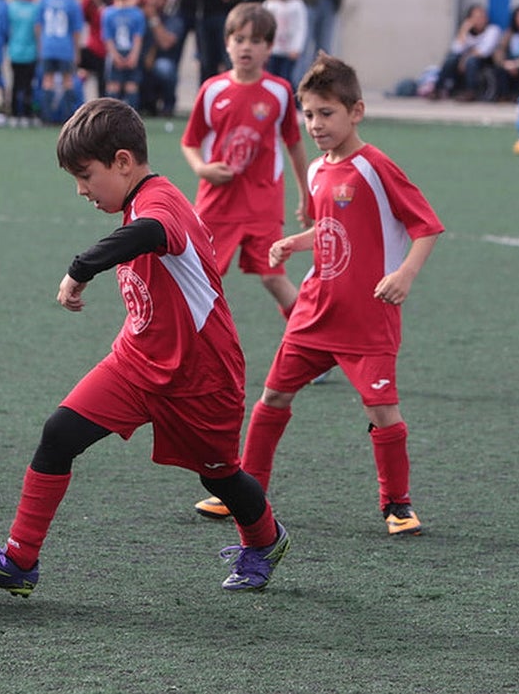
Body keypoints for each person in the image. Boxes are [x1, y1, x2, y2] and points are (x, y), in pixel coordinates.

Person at [0, 98, 290, 597]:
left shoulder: (161, 202)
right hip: (136, 362)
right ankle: (20, 560)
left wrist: (80, 269)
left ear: (123, 162)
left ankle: (265, 540)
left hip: (201, 376)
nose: (80, 189)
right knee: (59, 433)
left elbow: (147, 233)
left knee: (220, 477)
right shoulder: (137, 201)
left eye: (86, 175)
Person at [190, 54, 443, 536]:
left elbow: (426, 226)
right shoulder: (318, 171)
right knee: (273, 395)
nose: (315, 124)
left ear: (357, 112)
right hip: (313, 311)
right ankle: (248, 493)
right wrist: (295, 242)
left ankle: (397, 504)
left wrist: (406, 275)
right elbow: (333, 228)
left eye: (326, 113)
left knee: (382, 410)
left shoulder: (375, 166)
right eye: (308, 114)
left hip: (367, 317)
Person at [180, 3, 310, 337]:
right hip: (217, 202)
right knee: (201, 279)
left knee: (273, 276)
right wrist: (203, 169)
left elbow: (294, 144)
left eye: (255, 40)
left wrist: (305, 195)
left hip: (262, 202)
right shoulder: (212, 90)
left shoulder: (279, 91)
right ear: (227, 43)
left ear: (269, 47)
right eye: (239, 39)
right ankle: (191, 349)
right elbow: (190, 141)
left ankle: (311, 345)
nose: (246, 47)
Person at [37, 0, 84, 123]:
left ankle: (47, 117)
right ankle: (68, 118)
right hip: (65, 48)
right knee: (68, 81)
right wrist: (77, 51)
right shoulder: (73, 3)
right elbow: (76, 31)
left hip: (48, 46)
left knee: (47, 80)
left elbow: (38, 25)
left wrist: (40, 44)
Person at [429, 4, 502, 102]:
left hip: (484, 62)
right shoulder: (466, 33)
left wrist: (465, 59)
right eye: (477, 17)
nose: (481, 19)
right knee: (451, 58)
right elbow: (456, 49)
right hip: (463, 62)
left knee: (471, 61)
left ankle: (471, 92)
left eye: (483, 16)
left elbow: (485, 51)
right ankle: (438, 89)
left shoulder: (493, 30)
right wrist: (464, 29)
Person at [99, 0, 145, 111]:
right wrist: (133, 57)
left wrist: (115, 57)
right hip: (130, 51)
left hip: (115, 52)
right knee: (132, 86)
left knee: (113, 86)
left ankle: (111, 118)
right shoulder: (137, 13)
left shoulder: (107, 13)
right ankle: (132, 118)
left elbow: (108, 39)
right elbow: (138, 39)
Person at [139, 0, 184, 117]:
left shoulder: (174, 20)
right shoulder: (138, 17)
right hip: (139, 60)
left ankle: (168, 106)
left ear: (165, 0)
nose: (152, 0)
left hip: (161, 60)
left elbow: (165, 43)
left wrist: (153, 19)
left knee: (165, 68)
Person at [263, 0, 307, 84]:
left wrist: (297, 48)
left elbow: (300, 27)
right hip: (273, 50)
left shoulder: (296, 4)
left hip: (289, 50)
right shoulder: (269, 5)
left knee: (287, 79)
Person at [8, 0, 40, 126]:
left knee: (15, 83)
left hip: (15, 51)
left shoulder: (12, 7)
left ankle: (14, 114)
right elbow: (37, 31)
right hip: (30, 51)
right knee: (28, 85)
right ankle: (27, 115)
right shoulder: (35, 8)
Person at [493, 5, 519, 103]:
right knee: (500, 69)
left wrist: (517, 63)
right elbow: (499, 50)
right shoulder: (509, 34)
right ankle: (504, 96)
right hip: (510, 63)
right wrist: (504, 62)